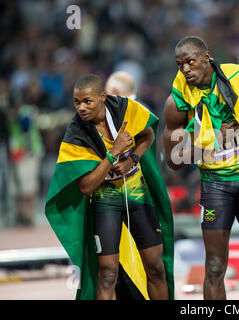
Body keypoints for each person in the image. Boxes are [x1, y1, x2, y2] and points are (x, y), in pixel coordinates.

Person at [163, 35, 239, 300]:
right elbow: (173, 160)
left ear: (207, 56)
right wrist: (214, 143)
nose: (185, 69)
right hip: (215, 184)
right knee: (215, 267)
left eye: (190, 62)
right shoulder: (177, 99)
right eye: (179, 64)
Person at [45, 74, 174, 300]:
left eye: (88, 101)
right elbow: (86, 187)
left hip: (138, 193)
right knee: (107, 273)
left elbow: (148, 134)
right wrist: (113, 153)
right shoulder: (76, 133)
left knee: (155, 268)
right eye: (77, 102)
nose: (81, 108)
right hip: (105, 199)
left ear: (103, 97)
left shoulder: (124, 107)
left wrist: (132, 159)